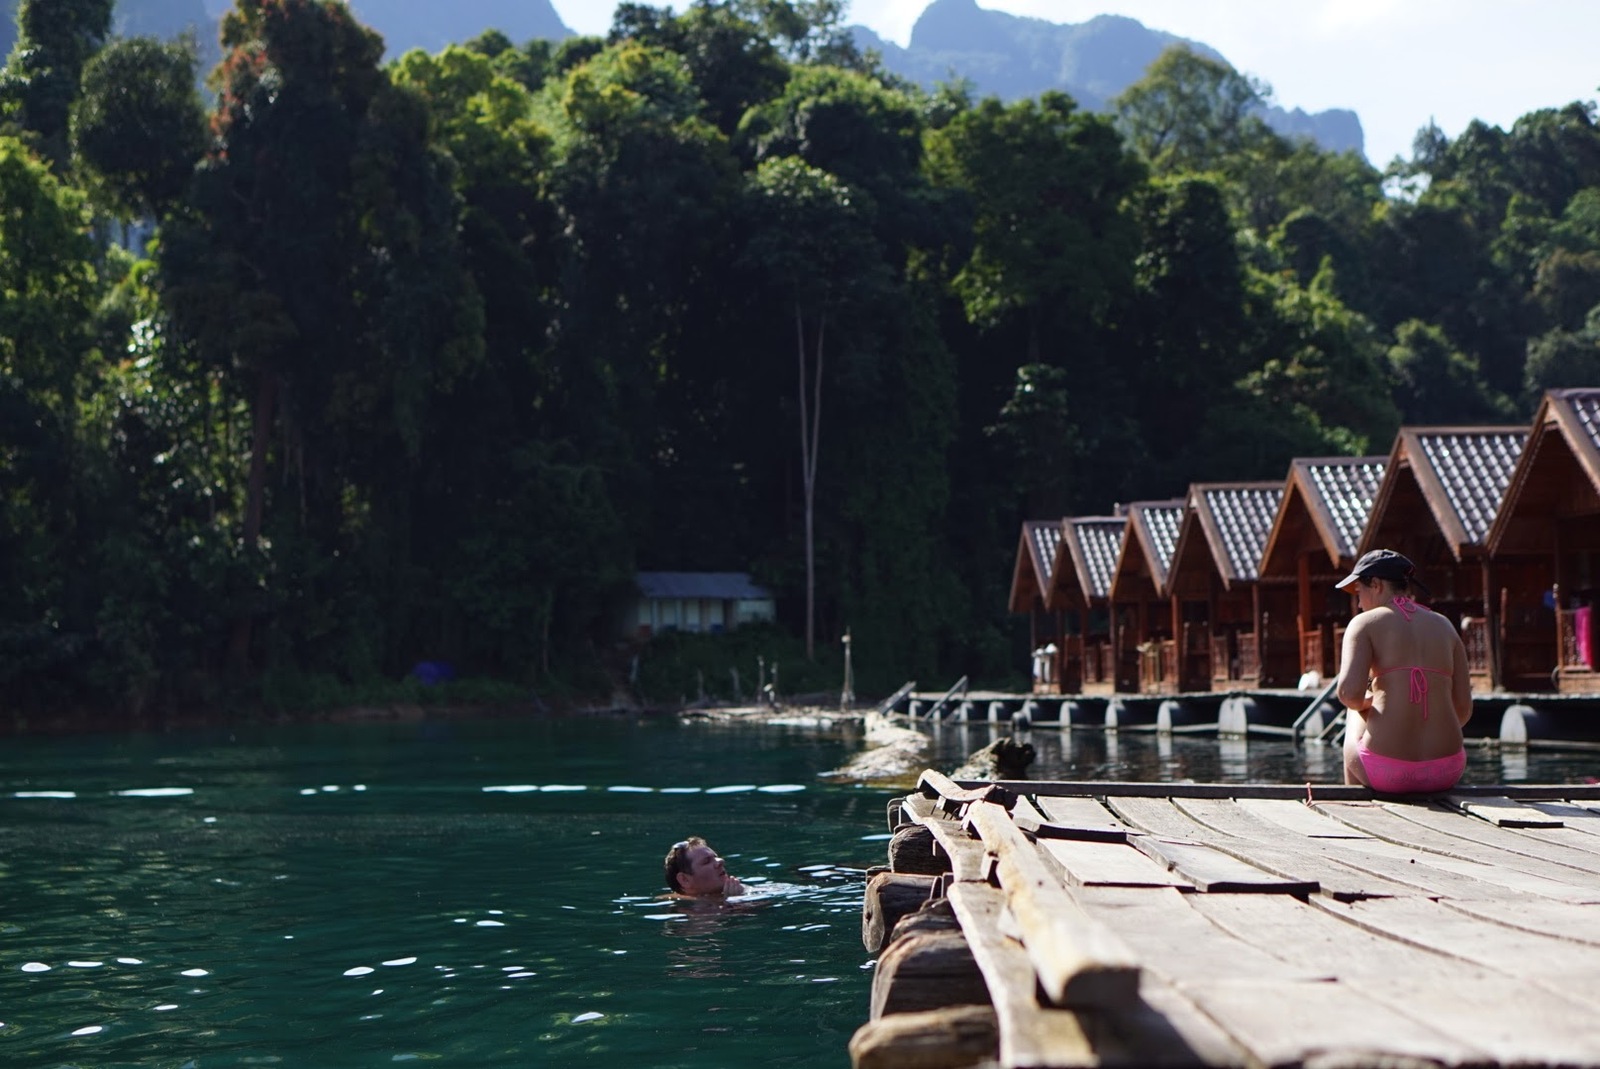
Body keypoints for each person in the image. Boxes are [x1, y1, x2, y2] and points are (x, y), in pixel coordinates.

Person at [1334, 549, 1472, 793]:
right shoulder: (1444, 625)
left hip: (1388, 773)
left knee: (1353, 710)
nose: (1358, 603)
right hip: (1448, 770)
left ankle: (1357, 808)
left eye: (1359, 592)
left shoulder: (1364, 624)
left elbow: (1349, 694)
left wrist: (1370, 702)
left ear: (1375, 585)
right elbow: (1463, 710)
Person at [663, 837, 746, 898]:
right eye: (706, 861)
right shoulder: (683, 910)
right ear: (685, 880)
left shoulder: (742, 890)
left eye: (715, 857)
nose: (721, 861)